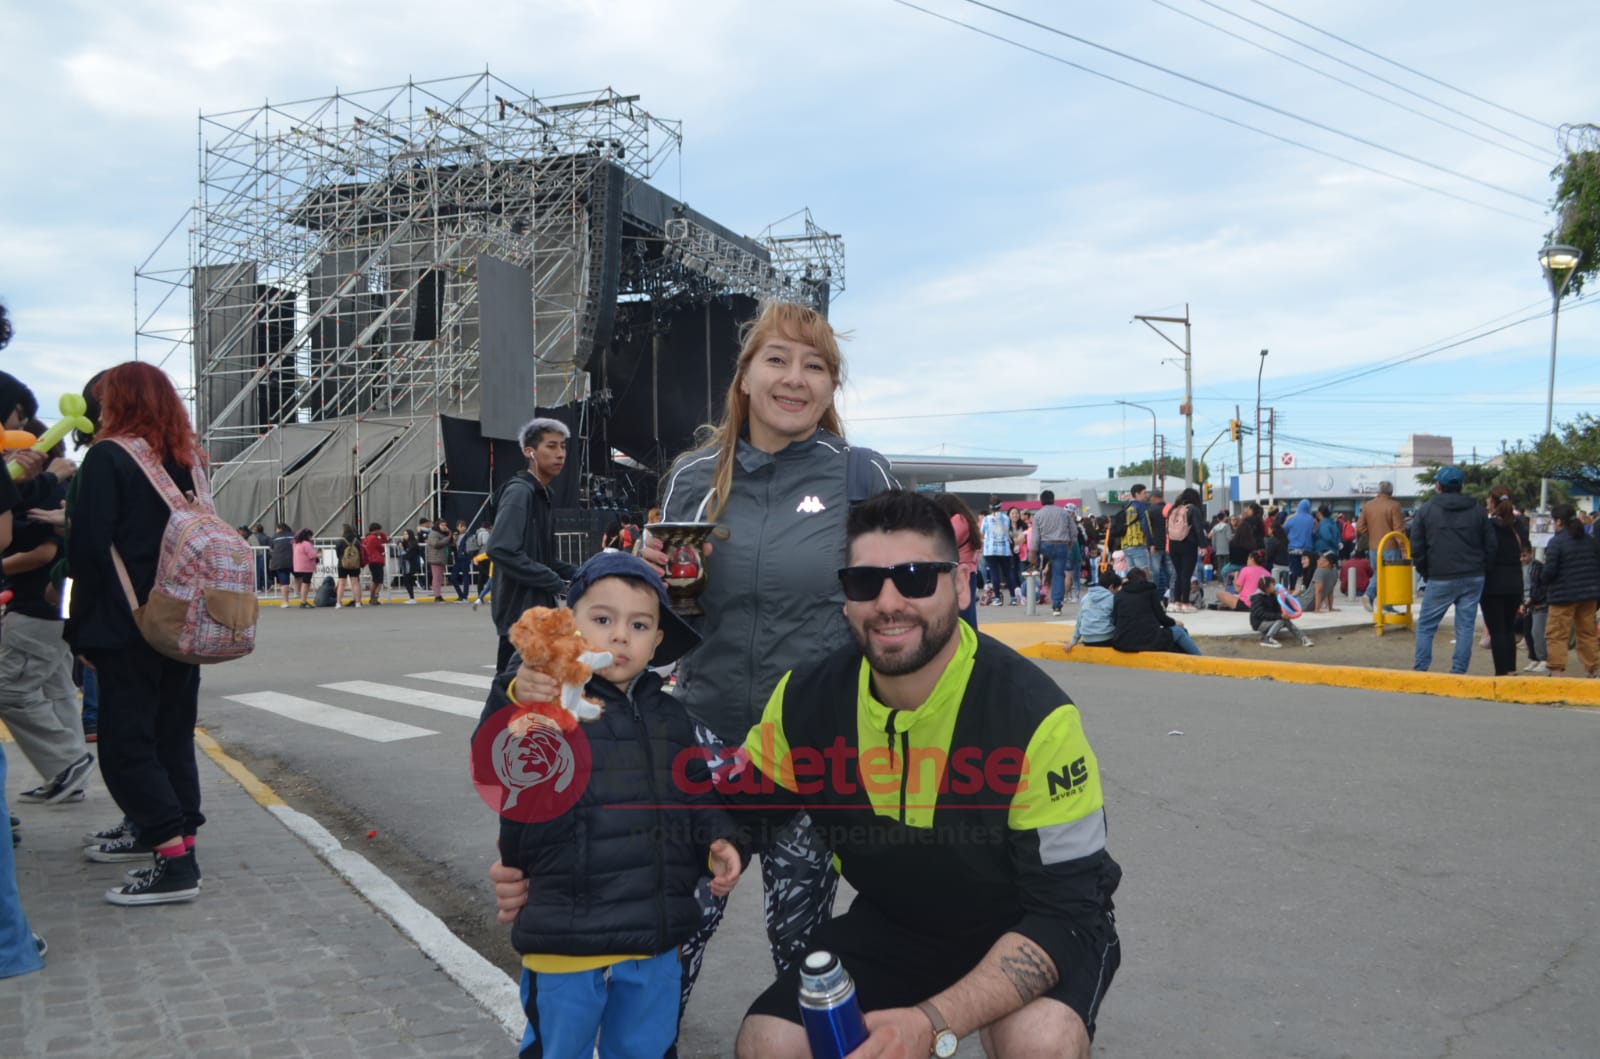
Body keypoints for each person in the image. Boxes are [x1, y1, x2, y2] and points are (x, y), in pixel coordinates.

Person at [714, 490, 1120, 1058]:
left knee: (1037, 1041)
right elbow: (745, 802)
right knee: (769, 1042)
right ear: (845, 599)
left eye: (915, 577)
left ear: (958, 585)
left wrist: (930, 1021)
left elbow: (1068, 909)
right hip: (898, 926)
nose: (888, 602)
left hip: (1032, 925)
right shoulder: (806, 698)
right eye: (864, 582)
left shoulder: (1036, 717)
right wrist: (723, 837)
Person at [474, 551, 741, 1059]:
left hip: (654, 943)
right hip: (565, 943)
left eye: (639, 625)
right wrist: (515, 691)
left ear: (658, 640)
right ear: (569, 627)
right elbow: (494, 759)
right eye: (602, 619)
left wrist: (718, 837)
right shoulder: (550, 703)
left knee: (647, 1049)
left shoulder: (671, 717)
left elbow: (696, 794)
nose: (621, 636)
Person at [67, 362, 206, 905]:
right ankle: (182, 841)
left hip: (125, 624)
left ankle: (173, 863)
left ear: (118, 402)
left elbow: (88, 548)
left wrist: (76, 629)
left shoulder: (108, 457)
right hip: (184, 623)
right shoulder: (189, 462)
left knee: (125, 745)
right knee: (173, 736)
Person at [1, 429, 94, 804]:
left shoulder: (48, 488)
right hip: (55, 604)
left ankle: (65, 763)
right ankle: (70, 775)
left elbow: (43, 553)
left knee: (9, 688)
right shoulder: (42, 487)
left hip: (39, 605)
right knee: (55, 689)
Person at [487, 418, 579, 672]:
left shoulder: (540, 493)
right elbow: (501, 549)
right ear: (530, 452)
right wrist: (554, 581)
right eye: (551, 446)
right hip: (521, 616)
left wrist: (582, 573)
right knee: (512, 697)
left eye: (562, 446)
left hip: (537, 616)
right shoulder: (520, 492)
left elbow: (542, 559)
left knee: (533, 698)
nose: (560, 454)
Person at [1409, 467, 1495, 674]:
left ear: (1438, 486)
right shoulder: (1477, 510)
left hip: (1440, 576)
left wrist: (1427, 572)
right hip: (1473, 575)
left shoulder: (1427, 510)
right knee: (1465, 627)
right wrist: (1483, 568)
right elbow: (1491, 544)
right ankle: (1458, 671)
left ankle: (1421, 669)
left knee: (1427, 626)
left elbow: (1417, 546)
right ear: (1462, 486)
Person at [1539, 503, 1600, 678]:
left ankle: (1556, 671)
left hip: (1562, 596)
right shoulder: (1590, 540)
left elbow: (1550, 572)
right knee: (1587, 633)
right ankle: (1594, 669)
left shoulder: (1556, 542)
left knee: (1557, 634)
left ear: (1559, 521)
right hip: (1589, 595)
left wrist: (1542, 580)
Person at [1479, 486, 1526, 677]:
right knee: (1507, 628)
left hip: (1494, 582)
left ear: (1491, 500)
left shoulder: (1489, 525)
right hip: (1515, 581)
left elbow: (1488, 552)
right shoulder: (1519, 524)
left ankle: (1501, 671)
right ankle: (1511, 669)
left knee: (1496, 629)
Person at [1112, 567, 1201, 655]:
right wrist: (1174, 622)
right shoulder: (1150, 591)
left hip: (1123, 641)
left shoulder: (1119, 595)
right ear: (1145, 578)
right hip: (1147, 639)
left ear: (1128, 580)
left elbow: (1115, 620)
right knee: (1179, 631)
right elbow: (1161, 618)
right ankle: (1200, 658)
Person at [932, 492, 982, 630]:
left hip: (962, 571)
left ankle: (972, 645)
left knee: (964, 615)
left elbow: (945, 541)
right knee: (963, 614)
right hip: (964, 571)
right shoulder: (963, 519)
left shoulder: (959, 520)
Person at [1357, 481, 1406, 612]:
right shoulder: (1394, 505)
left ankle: (1386, 606)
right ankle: (1370, 594)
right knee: (1386, 575)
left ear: (1378, 491)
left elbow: (1360, 526)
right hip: (1391, 546)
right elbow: (1398, 530)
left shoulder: (1368, 505)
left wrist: (1372, 534)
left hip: (1374, 546)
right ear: (1391, 492)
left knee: (1378, 572)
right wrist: (1404, 549)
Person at [1031, 489, 1078, 616]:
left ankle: (1040, 570)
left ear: (1041, 501)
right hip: (1061, 545)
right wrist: (1070, 543)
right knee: (1058, 575)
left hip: (1045, 545)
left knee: (1040, 566)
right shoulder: (1064, 513)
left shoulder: (1038, 515)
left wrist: (1033, 554)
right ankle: (1057, 606)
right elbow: (1074, 532)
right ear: (1053, 499)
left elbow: (1035, 537)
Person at [1165, 488, 1205, 612]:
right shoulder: (1193, 509)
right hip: (1188, 544)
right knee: (1186, 575)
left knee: (1178, 573)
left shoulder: (1174, 509)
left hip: (1173, 544)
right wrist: (1203, 545)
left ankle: (1175, 602)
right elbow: (1198, 529)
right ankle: (1186, 603)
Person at [1250, 577, 1312, 648]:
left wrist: (1280, 600)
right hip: (1259, 623)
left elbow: (1279, 609)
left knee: (1285, 620)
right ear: (1267, 587)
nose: (1275, 586)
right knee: (1282, 620)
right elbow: (1261, 614)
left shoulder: (1272, 596)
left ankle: (1302, 638)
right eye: (1273, 584)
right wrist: (1280, 615)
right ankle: (1268, 638)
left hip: (1270, 621)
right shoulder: (1257, 598)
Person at [1067, 569, 1120, 649]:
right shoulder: (1112, 598)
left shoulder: (1086, 597)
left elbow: (1079, 621)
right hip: (1106, 638)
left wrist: (1074, 641)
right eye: (1117, 589)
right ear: (1111, 587)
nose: (1117, 592)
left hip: (1087, 639)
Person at [1111, 484, 1154, 573]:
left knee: (1132, 574)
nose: (1146, 495)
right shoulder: (1141, 506)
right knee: (1144, 572)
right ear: (1137, 494)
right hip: (1138, 544)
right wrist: (1151, 543)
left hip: (1126, 545)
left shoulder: (1126, 507)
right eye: (1144, 493)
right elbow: (1146, 525)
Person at [980, 503, 1014, 606]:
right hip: (1004, 549)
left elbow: (982, 532)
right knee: (1008, 573)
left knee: (995, 574)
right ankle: (1013, 598)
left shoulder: (986, 519)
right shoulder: (1006, 518)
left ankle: (997, 599)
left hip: (990, 549)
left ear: (990, 507)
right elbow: (1008, 530)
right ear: (1000, 507)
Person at [1521, 545, 1548, 673]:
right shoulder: (1518, 567)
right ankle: (1534, 658)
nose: (1522, 559)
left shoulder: (1537, 567)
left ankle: (1543, 659)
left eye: (1525, 555)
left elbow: (1540, 587)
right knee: (1527, 633)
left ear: (1531, 553)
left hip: (1538, 603)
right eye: (1520, 556)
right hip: (1526, 604)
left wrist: (1531, 599)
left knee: (1537, 632)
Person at [334, 523, 363, 608]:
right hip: (355, 564)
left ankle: (338, 603)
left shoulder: (340, 541)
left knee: (342, 583)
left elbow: (338, 554)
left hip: (342, 564)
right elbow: (360, 552)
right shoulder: (356, 541)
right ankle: (357, 602)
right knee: (355, 583)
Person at [361, 522, 388, 606]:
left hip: (371, 561)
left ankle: (371, 598)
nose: (380, 531)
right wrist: (383, 535)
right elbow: (382, 547)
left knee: (375, 581)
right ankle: (374, 598)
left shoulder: (367, 538)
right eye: (379, 530)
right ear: (376, 530)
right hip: (377, 560)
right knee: (379, 581)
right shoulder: (374, 538)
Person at [268, 521, 294, 607]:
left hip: (280, 561)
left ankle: (285, 602)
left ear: (279, 529)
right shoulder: (293, 535)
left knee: (284, 582)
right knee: (300, 577)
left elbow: (271, 547)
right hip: (294, 560)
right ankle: (300, 596)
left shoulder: (275, 537)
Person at [425, 518, 452, 603]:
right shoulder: (434, 533)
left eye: (445, 525)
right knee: (436, 578)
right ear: (438, 525)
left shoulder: (442, 533)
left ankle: (438, 595)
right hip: (435, 558)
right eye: (442, 525)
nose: (444, 527)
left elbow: (451, 539)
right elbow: (436, 544)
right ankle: (437, 596)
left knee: (439, 578)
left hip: (441, 558)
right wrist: (447, 538)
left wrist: (449, 532)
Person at [291, 529, 317, 607]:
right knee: (306, 583)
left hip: (298, 566)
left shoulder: (296, 543)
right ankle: (303, 601)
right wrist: (318, 554)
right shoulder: (306, 544)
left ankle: (303, 600)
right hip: (307, 566)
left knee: (304, 583)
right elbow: (311, 555)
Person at [395, 528, 421, 604]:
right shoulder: (406, 543)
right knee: (407, 581)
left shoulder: (413, 544)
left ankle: (412, 598)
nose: (404, 535)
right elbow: (400, 542)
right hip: (406, 565)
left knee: (407, 581)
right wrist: (399, 543)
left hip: (411, 565)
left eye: (406, 534)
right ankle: (412, 597)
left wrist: (402, 551)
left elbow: (408, 555)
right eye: (404, 534)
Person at [449, 518, 474, 601]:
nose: (463, 528)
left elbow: (470, 547)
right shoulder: (457, 536)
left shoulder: (468, 535)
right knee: (453, 577)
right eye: (461, 526)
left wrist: (466, 554)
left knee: (465, 576)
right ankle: (461, 595)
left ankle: (464, 596)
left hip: (465, 558)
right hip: (458, 559)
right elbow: (453, 547)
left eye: (464, 526)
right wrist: (454, 541)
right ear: (457, 527)